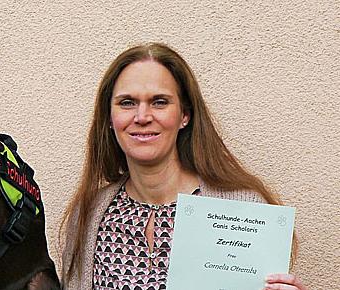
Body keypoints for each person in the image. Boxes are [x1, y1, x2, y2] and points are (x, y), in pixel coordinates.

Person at [60, 43, 306, 290]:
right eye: (127, 102)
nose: (142, 116)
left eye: (159, 102)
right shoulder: (89, 214)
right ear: (109, 119)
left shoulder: (243, 209)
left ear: (184, 116)